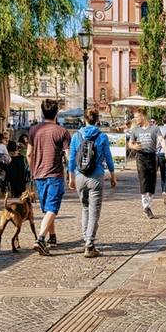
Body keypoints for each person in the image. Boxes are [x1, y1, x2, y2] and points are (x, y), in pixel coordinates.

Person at [67, 108, 116, 258]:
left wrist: (71, 177)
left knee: (85, 209)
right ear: (97, 120)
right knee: (94, 211)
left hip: (80, 176)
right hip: (96, 176)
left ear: (84, 120)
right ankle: (90, 245)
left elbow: (71, 157)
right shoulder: (102, 136)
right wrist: (113, 175)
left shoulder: (76, 136)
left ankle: (85, 240)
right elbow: (108, 157)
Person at [28, 98, 71, 255]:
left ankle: (52, 237)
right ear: (56, 113)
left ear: (42, 111)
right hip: (55, 174)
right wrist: (71, 175)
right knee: (52, 207)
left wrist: (33, 171)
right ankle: (40, 239)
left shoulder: (34, 130)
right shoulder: (62, 132)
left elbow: (28, 154)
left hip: (39, 174)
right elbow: (68, 156)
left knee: (47, 208)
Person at [129, 108, 164, 219]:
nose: (135, 119)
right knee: (143, 179)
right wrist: (134, 146)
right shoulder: (135, 130)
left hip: (152, 156)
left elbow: (161, 139)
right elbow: (130, 143)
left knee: (152, 181)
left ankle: (149, 203)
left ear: (143, 116)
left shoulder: (154, 128)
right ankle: (146, 206)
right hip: (140, 156)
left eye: (137, 117)